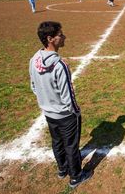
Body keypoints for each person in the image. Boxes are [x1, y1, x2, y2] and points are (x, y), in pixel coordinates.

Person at [29, 21, 93, 188]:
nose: (64, 37)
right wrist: (75, 111)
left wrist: (46, 102)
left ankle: (62, 169)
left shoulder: (34, 60)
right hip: (66, 115)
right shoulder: (60, 65)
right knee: (71, 146)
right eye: (60, 35)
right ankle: (75, 177)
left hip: (49, 114)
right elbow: (67, 96)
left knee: (57, 141)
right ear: (50, 39)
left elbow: (34, 87)